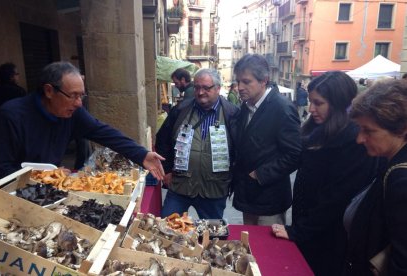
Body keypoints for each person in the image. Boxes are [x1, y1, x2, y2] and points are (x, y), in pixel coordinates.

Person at [271, 71, 379, 276]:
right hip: (310, 228)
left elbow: (336, 198)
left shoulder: (354, 140)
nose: (311, 109)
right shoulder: (320, 130)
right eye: (311, 102)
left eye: (318, 103)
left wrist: (298, 231)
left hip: (331, 237)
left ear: (337, 103)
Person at [0, 61, 165, 181]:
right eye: (73, 96)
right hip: (14, 197)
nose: (79, 103)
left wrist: (141, 154)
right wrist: (44, 175)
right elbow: (0, 170)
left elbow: (103, 132)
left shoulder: (74, 113)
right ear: (49, 91)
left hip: (49, 191)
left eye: (81, 95)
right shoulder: (11, 116)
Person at [155, 68, 239, 219]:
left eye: (206, 88)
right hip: (180, 187)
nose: (200, 92)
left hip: (214, 191)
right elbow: (162, 140)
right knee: (166, 229)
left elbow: (240, 150)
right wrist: (166, 171)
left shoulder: (232, 114)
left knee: (212, 237)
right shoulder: (180, 110)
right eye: (197, 87)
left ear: (218, 88)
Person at [344, 79, 407, 275]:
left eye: (368, 131)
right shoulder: (389, 159)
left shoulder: (401, 179)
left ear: (402, 129)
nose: (360, 139)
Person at [231, 54, 302, 225]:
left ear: (264, 81)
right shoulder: (245, 107)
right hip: (248, 196)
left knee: (266, 248)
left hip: (270, 198)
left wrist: (261, 174)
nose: (239, 87)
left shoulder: (282, 109)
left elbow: (295, 154)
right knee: (249, 246)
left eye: (246, 82)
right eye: (238, 81)